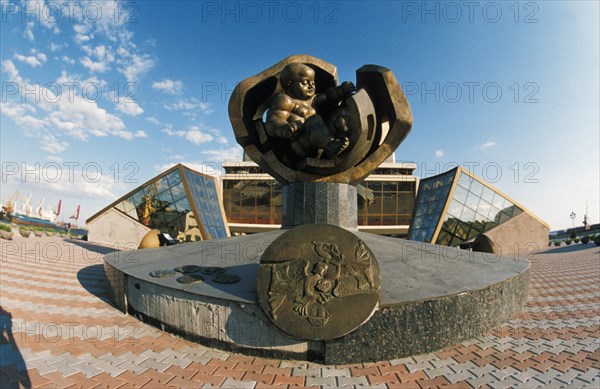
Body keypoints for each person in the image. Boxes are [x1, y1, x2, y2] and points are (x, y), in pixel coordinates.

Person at [265, 63, 355, 160]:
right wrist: (283, 128)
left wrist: (341, 90)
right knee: (314, 120)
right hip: (301, 146)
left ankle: (347, 140)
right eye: (305, 82)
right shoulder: (286, 100)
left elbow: (329, 96)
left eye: (312, 83)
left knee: (341, 113)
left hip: (324, 145)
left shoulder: (314, 100)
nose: (311, 86)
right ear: (289, 85)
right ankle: (332, 145)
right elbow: (273, 120)